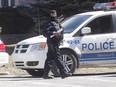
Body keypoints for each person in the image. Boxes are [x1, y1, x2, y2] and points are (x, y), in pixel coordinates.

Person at [42, 10, 72, 79]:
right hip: (52, 42)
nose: (53, 14)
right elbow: (44, 33)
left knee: (49, 58)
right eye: (52, 13)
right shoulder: (48, 23)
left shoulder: (57, 22)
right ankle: (63, 72)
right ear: (50, 14)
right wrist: (52, 33)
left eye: (54, 13)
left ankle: (45, 74)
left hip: (56, 42)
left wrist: (59, 36)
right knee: (57, 57)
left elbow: (61, 31)